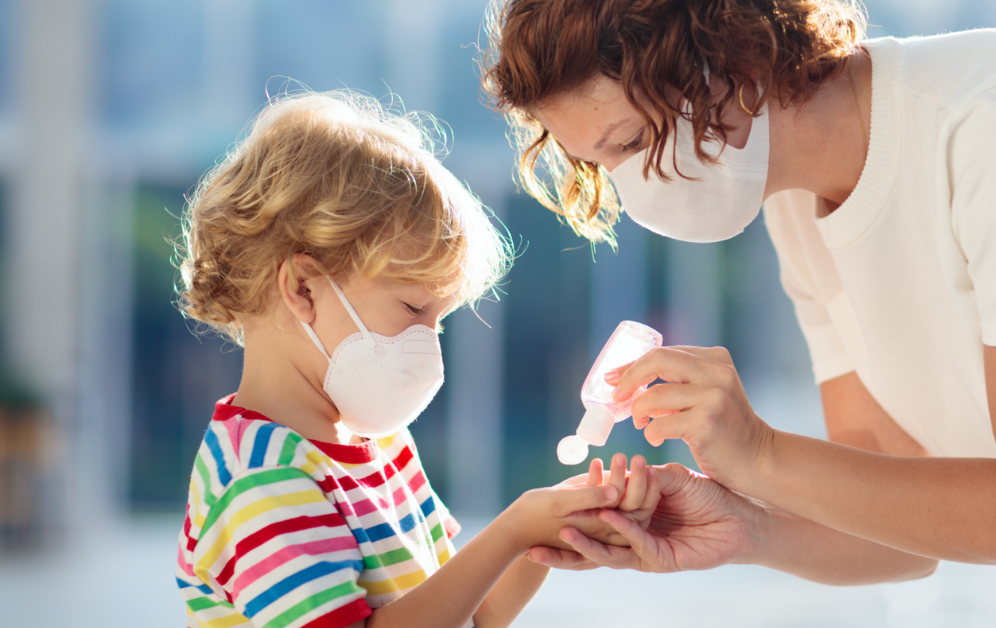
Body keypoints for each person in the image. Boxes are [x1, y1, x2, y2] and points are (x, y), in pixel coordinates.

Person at [481, 1, 996, 626]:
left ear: (727, 57)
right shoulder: (796, 205)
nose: (632, 195)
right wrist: (742, 523)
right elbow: (904, 526)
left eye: (633, 144)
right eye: (602, 167)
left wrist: (760, 453)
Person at [172, 91, 662, 628]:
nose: (428, 343)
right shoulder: (261, 480)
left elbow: (471, 613)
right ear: (303, 288)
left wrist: (553, 526)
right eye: (413, 308)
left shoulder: (379, 444)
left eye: (441, 319)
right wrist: (515, 529)